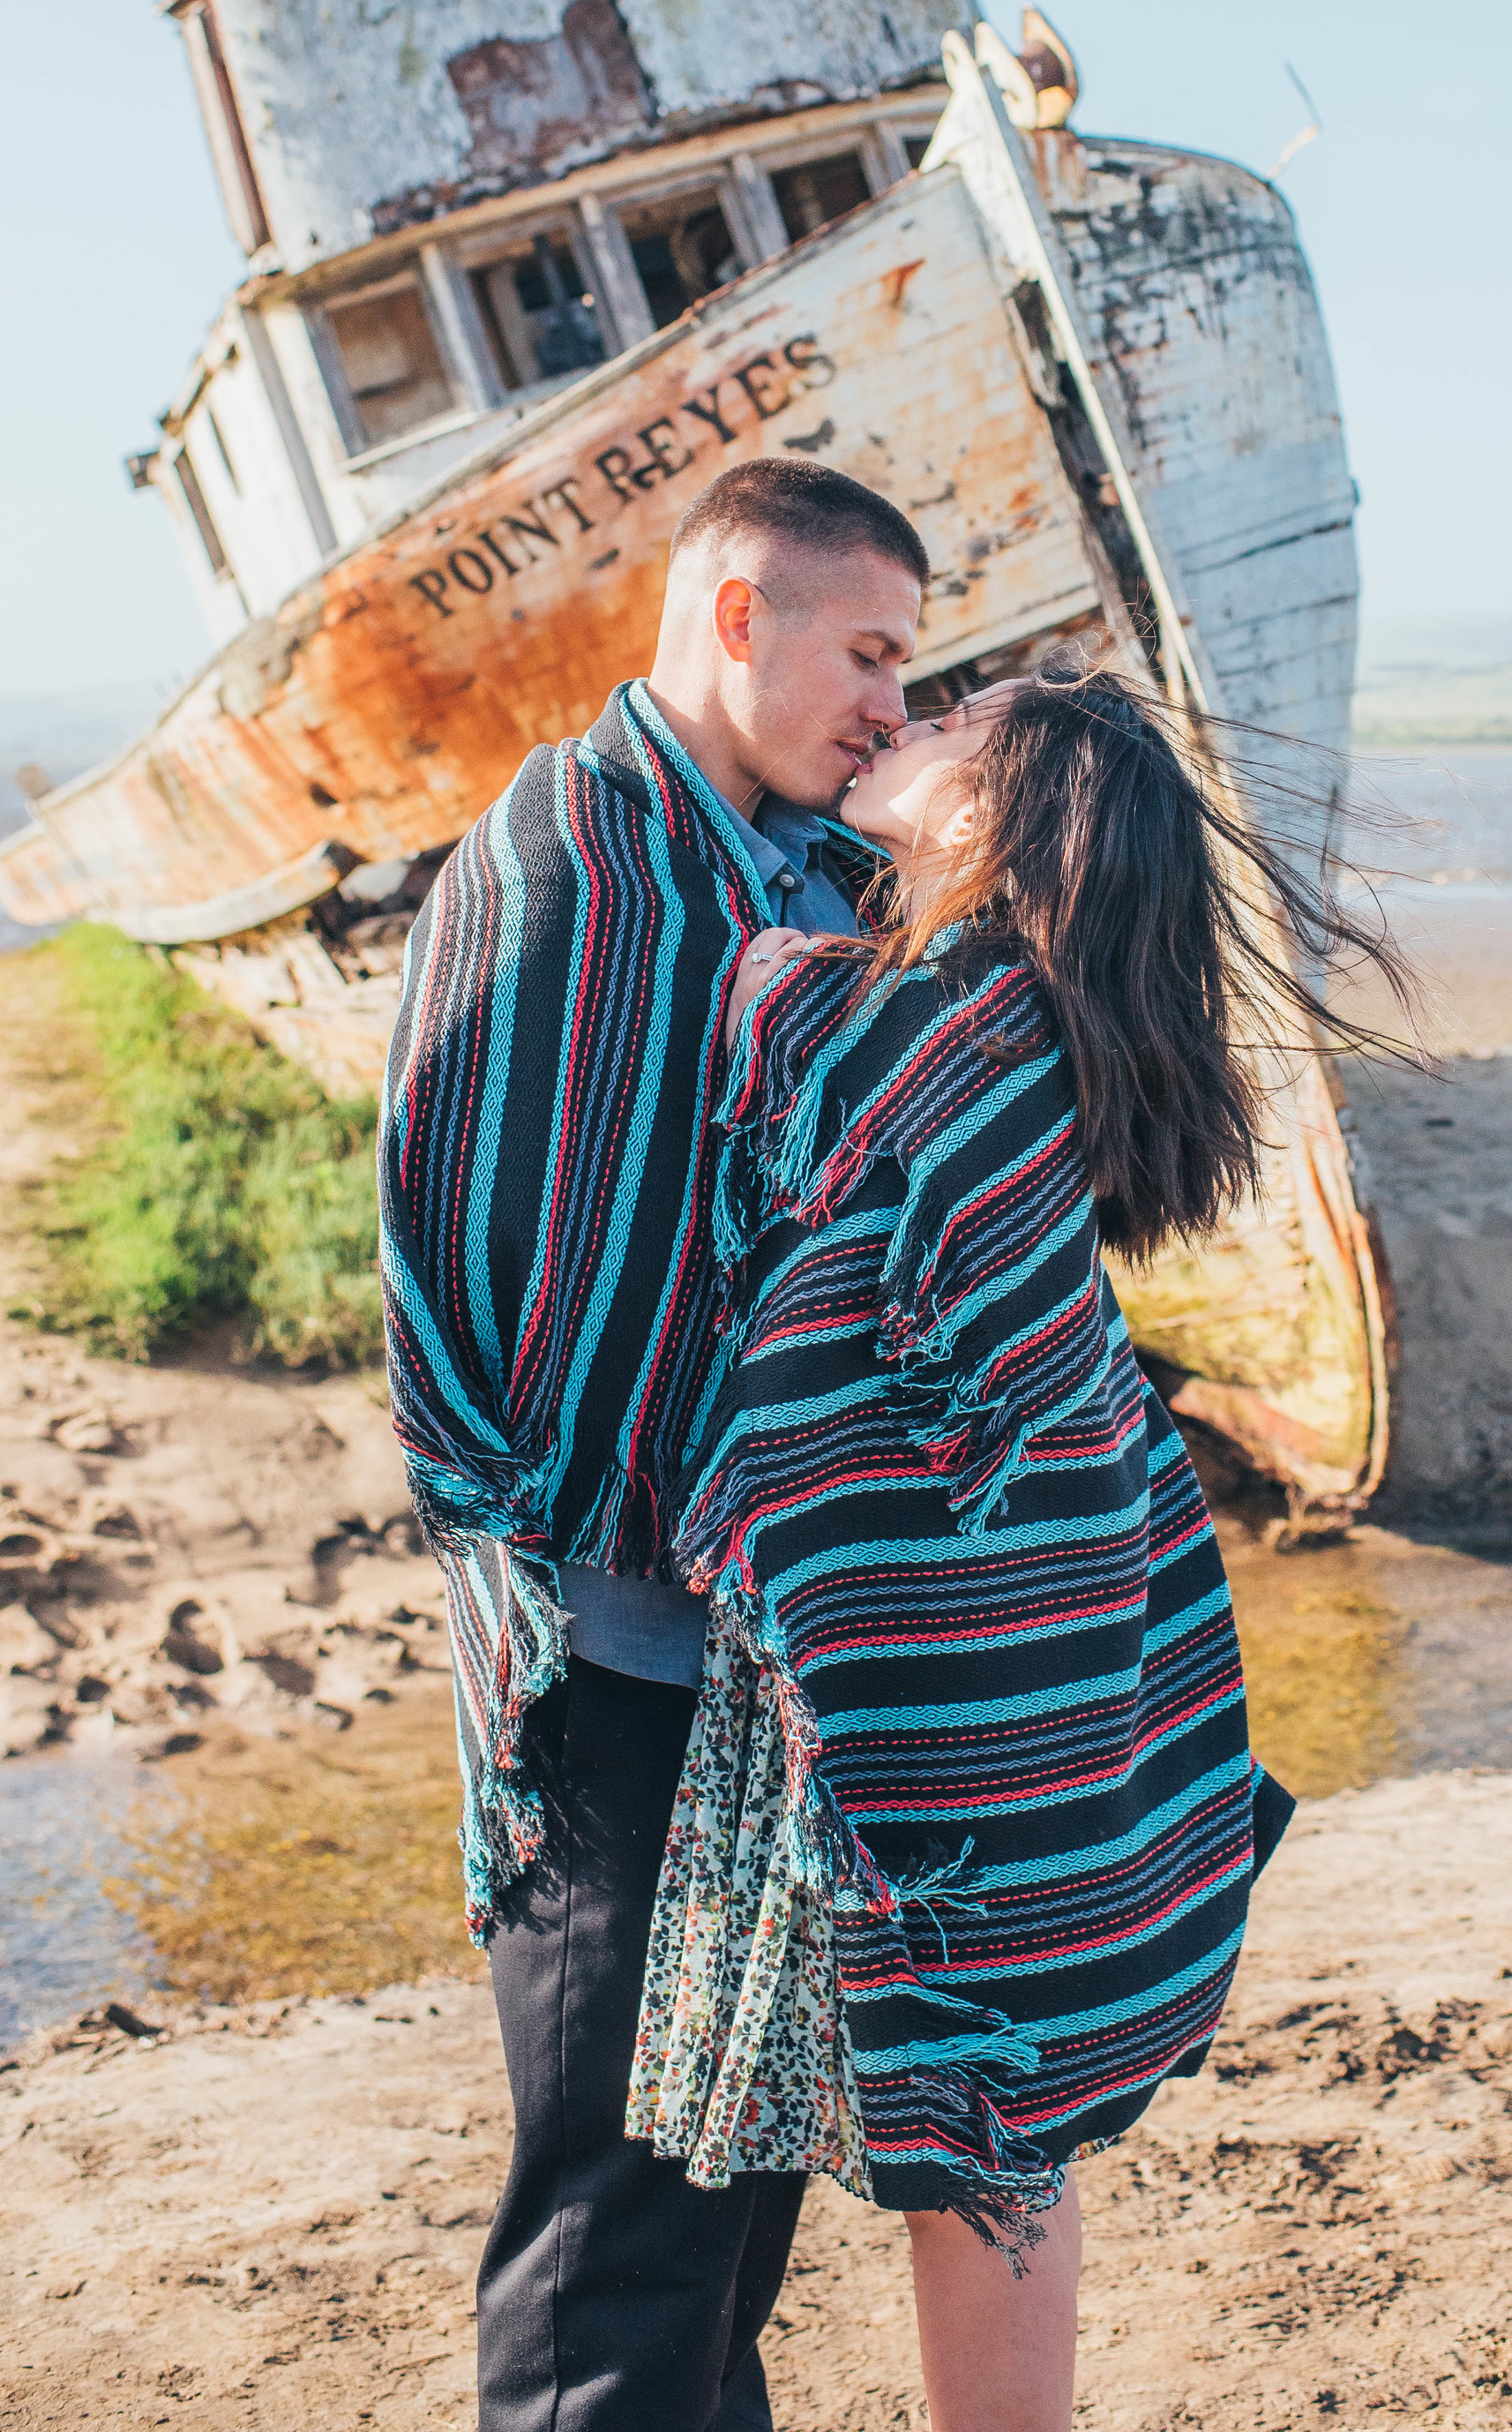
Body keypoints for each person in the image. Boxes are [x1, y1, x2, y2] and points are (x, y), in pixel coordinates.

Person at [622, 660, 1411, 2432]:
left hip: (972, 1670)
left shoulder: (928, 1020)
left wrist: (764, 943)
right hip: (1052, 1656)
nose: (913, 710)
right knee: (1003, 2131)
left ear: (988, 816)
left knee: (980, 2130)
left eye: (954, 723)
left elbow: (768, 1067)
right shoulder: (1022, 1020)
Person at [380, 454, 929, 2432]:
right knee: (618, 2223)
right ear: (731, 617)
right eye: (866, 653)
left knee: (732, 2202)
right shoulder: (571, 874)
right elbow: (499, 1302)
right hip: (612, 1674)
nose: (892, 705)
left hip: (756, 1675)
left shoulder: (791, 873)